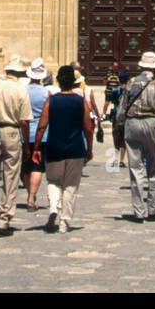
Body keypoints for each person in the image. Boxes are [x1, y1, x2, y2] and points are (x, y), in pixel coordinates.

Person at [33, 64, 93, 232]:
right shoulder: (81, 101)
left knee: (53, 181)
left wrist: (37, 147)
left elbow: (41, 126)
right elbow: (88, 128)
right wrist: (90, 149)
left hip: (54, 147)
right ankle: (65, 221)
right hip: (75, 148)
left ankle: (53, 208)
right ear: (74, 82)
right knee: (71, 185)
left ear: (58, 81)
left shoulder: (51, 100)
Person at [115, 51, 155, 222]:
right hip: (151, 123)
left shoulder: (131, 82)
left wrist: (118, 128)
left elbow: (122, 109)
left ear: (140, 67)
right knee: (153, 166)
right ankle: (154, 209)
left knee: (135, 168)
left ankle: (138, 211)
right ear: (154, 68)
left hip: (132, 124)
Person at [0, 55, 32, 237]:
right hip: (11, 132)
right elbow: (25, 122)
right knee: (10, 177)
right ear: (19, 73)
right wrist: (27, 145)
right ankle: (4, 220)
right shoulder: (21, 90)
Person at [23, 58, 50, 210]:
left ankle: (29, 194)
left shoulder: (23, 91)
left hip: (24, 133)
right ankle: (32, 197)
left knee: (26, 167)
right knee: (37, 167)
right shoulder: (46, 93)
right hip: (42, 135)